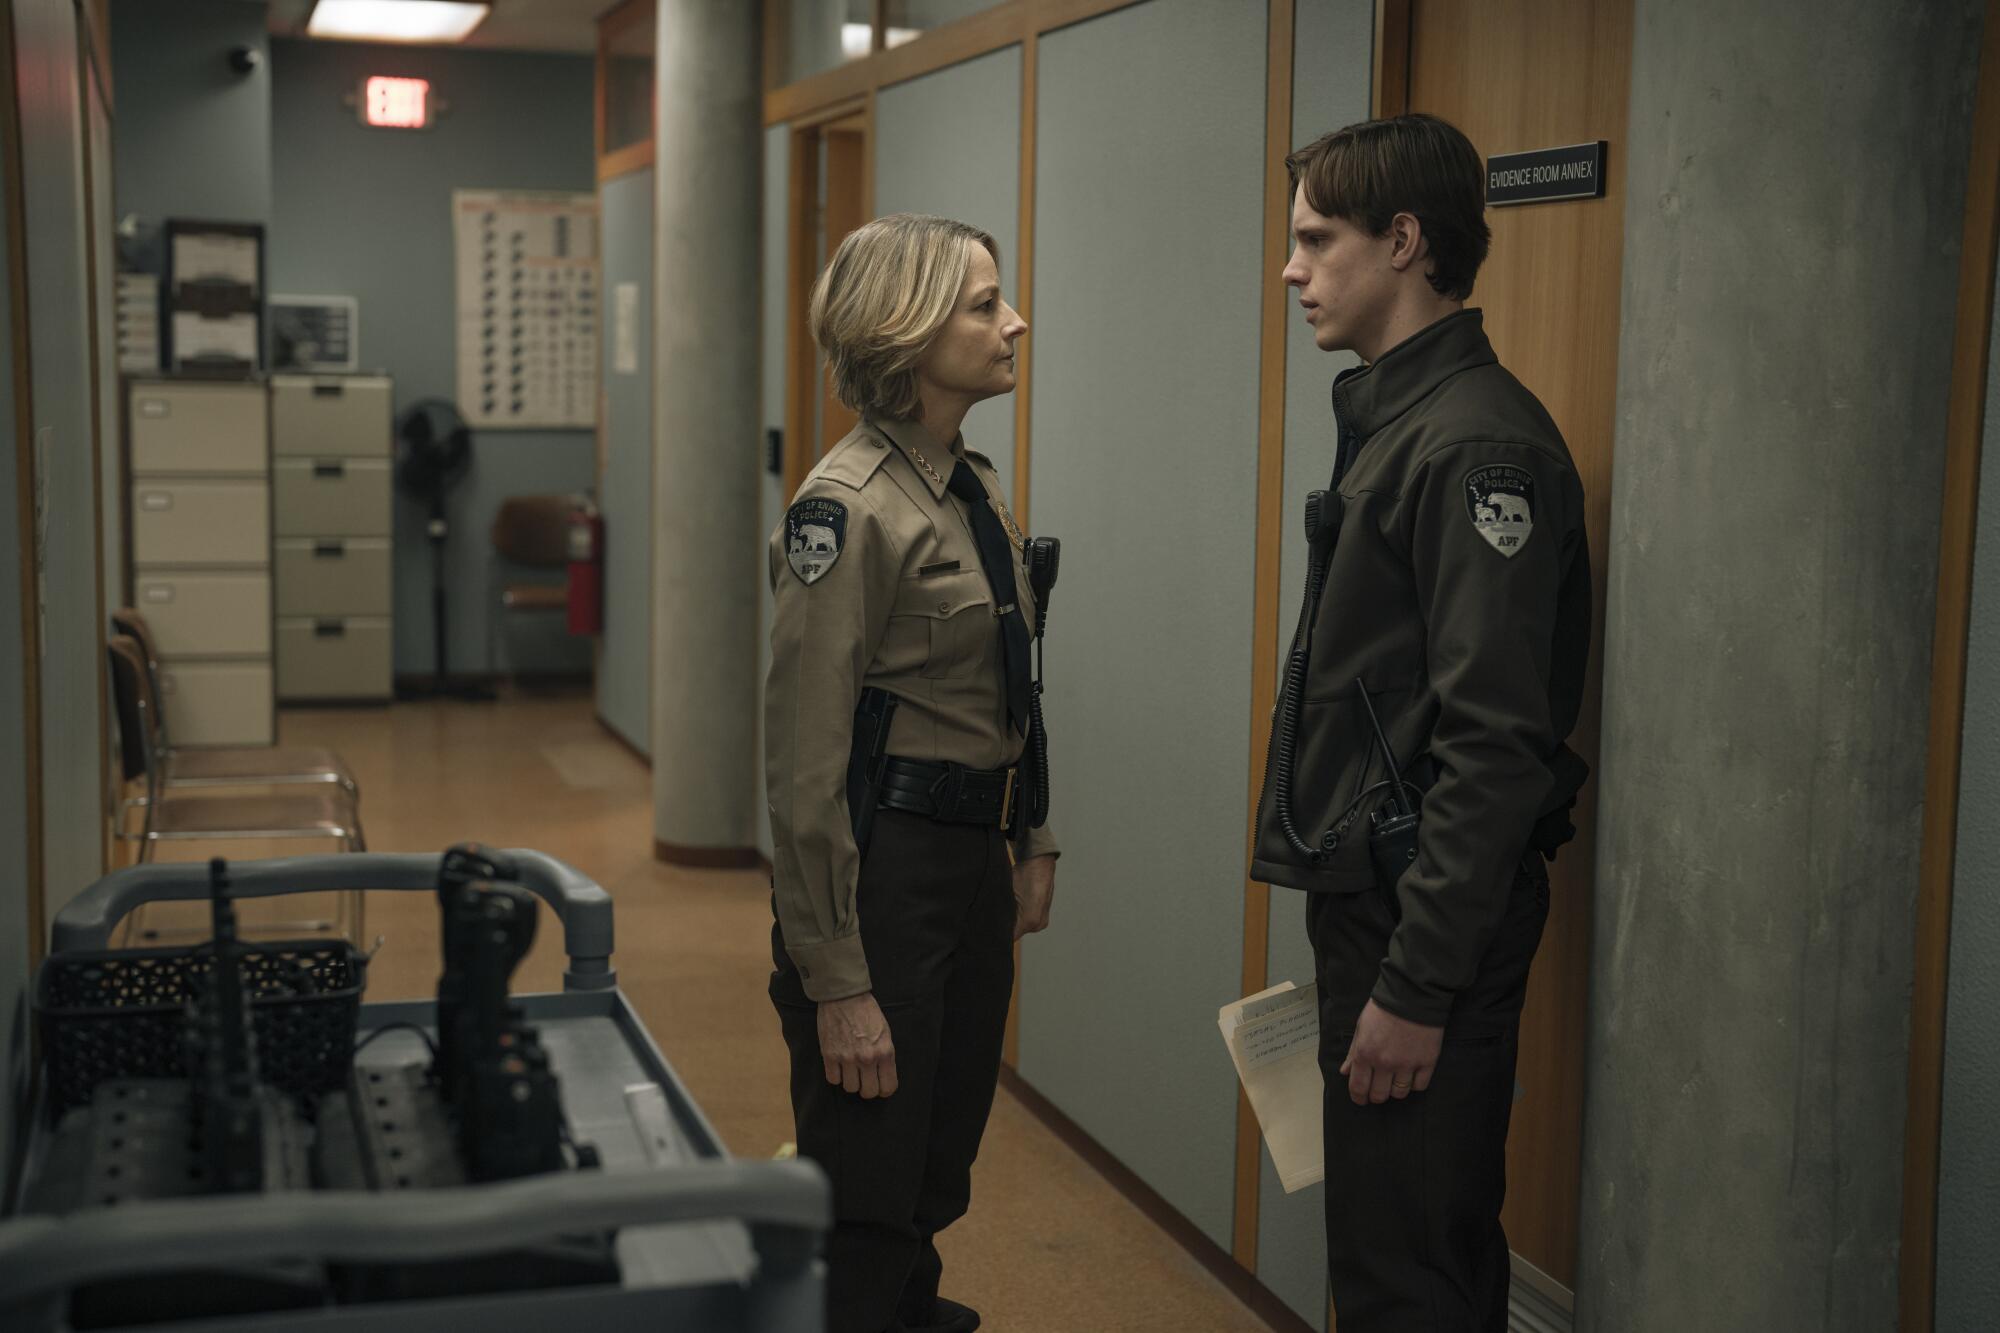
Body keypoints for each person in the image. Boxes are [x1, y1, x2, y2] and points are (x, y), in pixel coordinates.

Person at [1250, 114, 1592, 1331]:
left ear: (1402, 242)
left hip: (1421, 919)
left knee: (1413, 1267)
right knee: (1390, 1241)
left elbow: (1493, 745)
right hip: (1380, 903)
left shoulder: (1472, 445)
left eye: (1313, 239)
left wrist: (1414, 982)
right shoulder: (1399, 423)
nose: (1290, 268)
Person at [765, 213, 1060, 1333]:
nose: (1013, 320)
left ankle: (903, 1307)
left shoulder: (967, 483)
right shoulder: (844, 510)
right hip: (879, 872)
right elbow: (802, 769)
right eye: (984, 303)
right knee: (866, 1180)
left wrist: (1028, 832)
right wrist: (836, 980)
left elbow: (1014, 679)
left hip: (965, 862)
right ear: (905, 327)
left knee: (933, 1157)